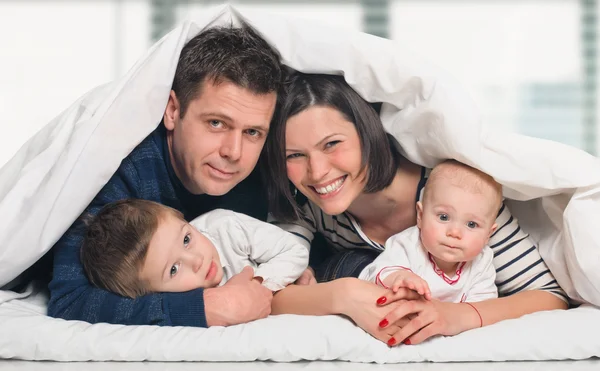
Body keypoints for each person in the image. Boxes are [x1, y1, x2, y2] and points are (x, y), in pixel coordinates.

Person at [264, 73, 568, 347]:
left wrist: (455, 315)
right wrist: (346, 295)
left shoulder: (457, 195)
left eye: (331, 144)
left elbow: (549, 297)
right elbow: (266, 294)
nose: (317, 172)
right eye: (295, 155)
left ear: (366, 133)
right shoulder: (305, 206)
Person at [47, 24, 284, 328]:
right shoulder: (119, 171)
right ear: (172, 111)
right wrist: (205, 307)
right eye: (216, 123)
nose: (234, 152)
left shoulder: (263, 172)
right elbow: (70, 300)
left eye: (252, 132)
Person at [80, 199, 308, 298]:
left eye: (187, 239)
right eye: (173, 270)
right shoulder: (182, 303)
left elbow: (295, 251)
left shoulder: (225, 227)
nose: (196, 260)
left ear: (186, 223)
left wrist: (258, 285)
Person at [359, 160, 502, 305]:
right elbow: (376, 273)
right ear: (420, 216)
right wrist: (399, 277)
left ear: (488, 235)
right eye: (443, 217)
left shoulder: (482, 261)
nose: (454, 232)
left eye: (471, 224)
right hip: (356, 268)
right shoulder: (408, 244)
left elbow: (482, 304)